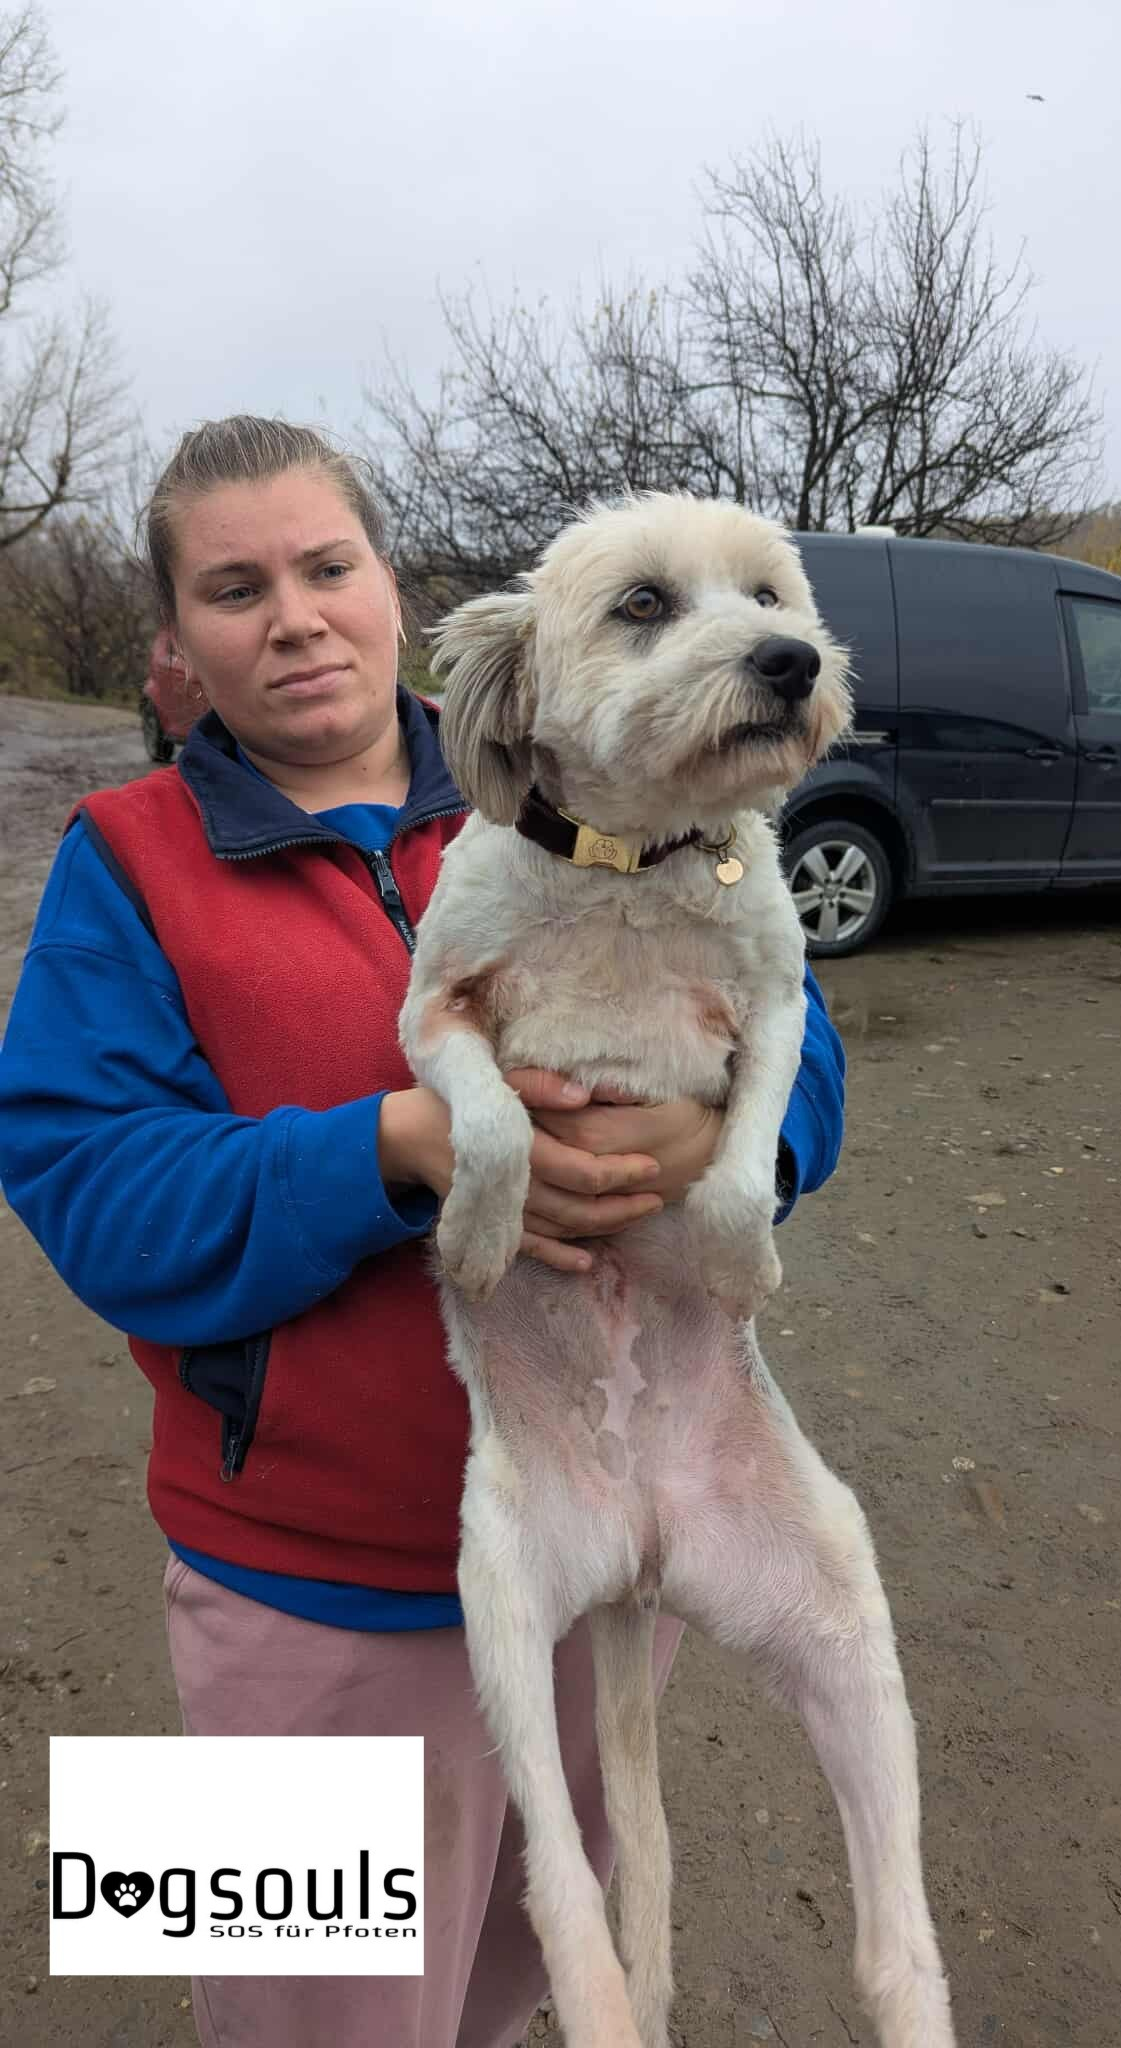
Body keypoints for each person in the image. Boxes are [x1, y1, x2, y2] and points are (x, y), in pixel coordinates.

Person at [0, 417, 846, 2048]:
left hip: (591, 1557)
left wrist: (735, 1143)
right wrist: (391, 1149)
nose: (296, 618)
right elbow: (86, 1186)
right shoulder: (127, 857)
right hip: (298, 1596)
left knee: (506, 1987)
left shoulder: (604, 759)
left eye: (329, 566)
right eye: (235, 589)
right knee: (302, 2018)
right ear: (174, 638)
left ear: (389, 584)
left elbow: (797, 1032)